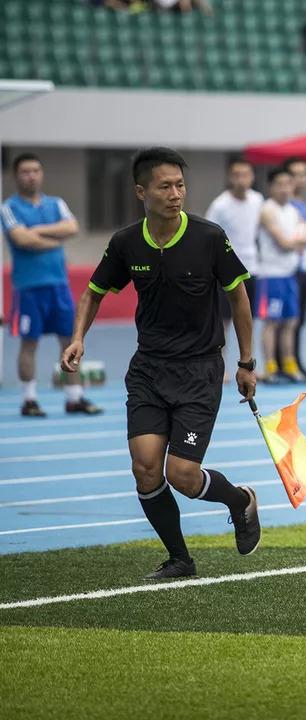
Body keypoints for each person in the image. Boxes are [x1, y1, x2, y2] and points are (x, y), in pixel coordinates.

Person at [62, 147, 261, 580]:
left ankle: (239, 500)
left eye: (180, 185)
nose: (175, 193)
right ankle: (180, 559)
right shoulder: (126, 242)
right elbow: (94, 292)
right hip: (149, 371)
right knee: (146, 469)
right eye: (165, 186)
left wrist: (246, 362)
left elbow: (238, 297)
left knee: (184, 476)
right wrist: (78, 338)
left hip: (199, 371)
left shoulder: (209, 237)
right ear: (141, 191)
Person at [1, 153, 101, 418]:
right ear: (16, 176)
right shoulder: (8, 207)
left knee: (70, 340)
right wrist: (53, 237)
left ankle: (74, 398)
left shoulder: (56, 203)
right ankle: (29, 400)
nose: (31, 175)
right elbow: (21, 239)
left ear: (41, 174)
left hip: (59, 286)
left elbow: (72, 227)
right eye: (25, 171)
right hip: (28, 288)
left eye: (35, 170)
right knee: (28, 344)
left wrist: (37, 232)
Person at [257, 167, 306, 384]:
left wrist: (299, 241)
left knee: (291, 321)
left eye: (287, 184)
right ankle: (271, 367)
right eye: (279, 184)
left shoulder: (294, 211)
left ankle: (290, 366)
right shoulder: (267, 210)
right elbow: (284, 243)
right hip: (271, 275)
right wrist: (300, 241)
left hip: (290, 273)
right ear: (271, 187)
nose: (284, 189)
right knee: (272, 322)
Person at [205, 157, 262, 334]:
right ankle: (219, 362)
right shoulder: (219, 205)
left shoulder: (258, 200)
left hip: (251, 269)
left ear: (252, 176)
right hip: (226, 273)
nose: (241, 179)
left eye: (245, 174)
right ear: (230, 178)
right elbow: (207, 238)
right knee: (224, 323)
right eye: (236, 175)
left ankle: (248, 361)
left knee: (249, 322)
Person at [284, 156, 306, 379]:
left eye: (303, 175)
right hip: (285, 269)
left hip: (303, 268)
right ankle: (281, 362)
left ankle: (295, 360)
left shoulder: (305, 207)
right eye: (295, 174)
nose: (300, 179)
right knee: (284, 320)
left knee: (299, 319)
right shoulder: (282, 205)